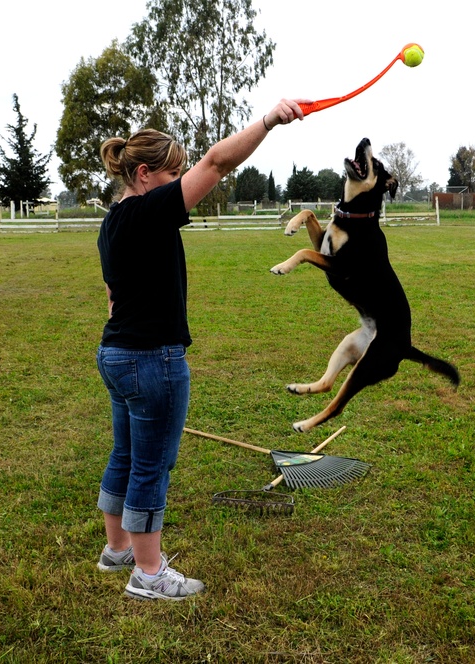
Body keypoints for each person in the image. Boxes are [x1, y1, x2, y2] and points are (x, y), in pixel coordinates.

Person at [93, 98, 307, 601]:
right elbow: (218, 162)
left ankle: (117, 548)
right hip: (152, 359)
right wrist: (271, 120)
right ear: (144, 174)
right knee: (151, 465)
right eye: (175, 173)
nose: (183, 181)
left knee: (125, 453)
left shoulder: (114, 219)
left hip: (117, 354)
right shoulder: (150, 209)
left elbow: (111, 296)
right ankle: (148, 574)